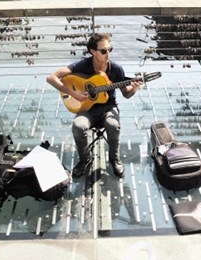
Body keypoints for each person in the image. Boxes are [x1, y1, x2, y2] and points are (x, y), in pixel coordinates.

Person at [47, 33, 142, 178]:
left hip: (109, 108)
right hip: (86, 108)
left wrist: (133, 88)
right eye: (103, 51)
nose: (107, 54)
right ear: (92, 51)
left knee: (113, 125)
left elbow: (126, 94)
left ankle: (114, 159)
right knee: (78, 126)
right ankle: (85, 160)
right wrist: (73, 94)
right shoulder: (82, 65)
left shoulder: (116, 69)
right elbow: (51, 78)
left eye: (110, 49)